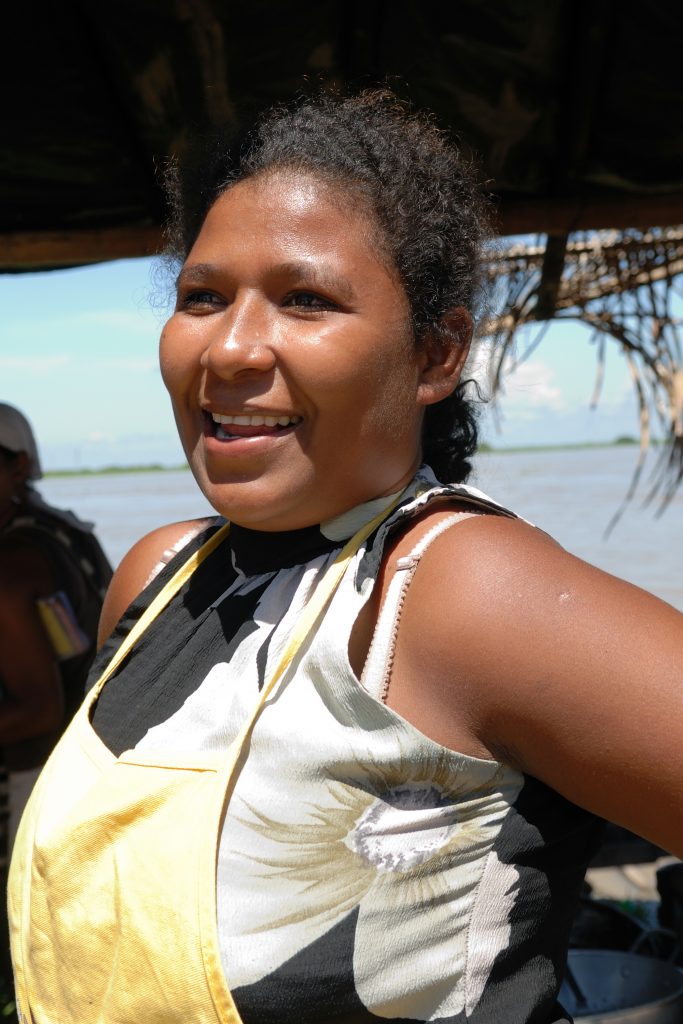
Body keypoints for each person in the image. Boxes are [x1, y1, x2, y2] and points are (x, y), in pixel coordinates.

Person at [8, 91, 683, 1024]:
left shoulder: (453, 590)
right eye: (202, 297)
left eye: (305, 300)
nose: (232, 348)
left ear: (435, 355)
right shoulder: (160, 578)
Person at [0, 403, 112, 844]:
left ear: (18, 466)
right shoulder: (65, 531)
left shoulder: (13, 567)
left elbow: (38, 712)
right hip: (86, 768)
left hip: (30, 781)